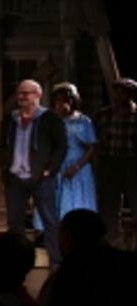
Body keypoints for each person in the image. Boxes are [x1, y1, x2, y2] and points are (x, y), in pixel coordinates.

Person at [0, 79, 67, 269]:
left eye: (26, 93)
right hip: (15, 176)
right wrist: (4, 167)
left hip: (41, 177)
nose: (21, 97)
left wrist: (50, 169)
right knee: (15, 222)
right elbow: (2, 145)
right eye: (19, 93)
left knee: (49, 221)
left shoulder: (50, 118)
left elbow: (61, 146)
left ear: (38, 95)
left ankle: (57, 262)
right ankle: (15, 262)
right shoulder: (10, 119)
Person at [34, 84, 97, 234]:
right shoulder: (51, 120)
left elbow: (92, 147)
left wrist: (77, 166)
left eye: (65, 100)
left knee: (77, 200)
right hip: (57, 165)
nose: (61, 104)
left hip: (78, 166)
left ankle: (79, 232)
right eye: (58, 101)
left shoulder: (83, 121)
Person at [93, 77, 136, 249]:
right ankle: (112, 244)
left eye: (124, 93)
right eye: (117, 92)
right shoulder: (104, 115)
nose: (119, 96)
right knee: (108, 207)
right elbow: (94, 139)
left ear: (131, 95)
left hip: (132, 163)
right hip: (109, 162)